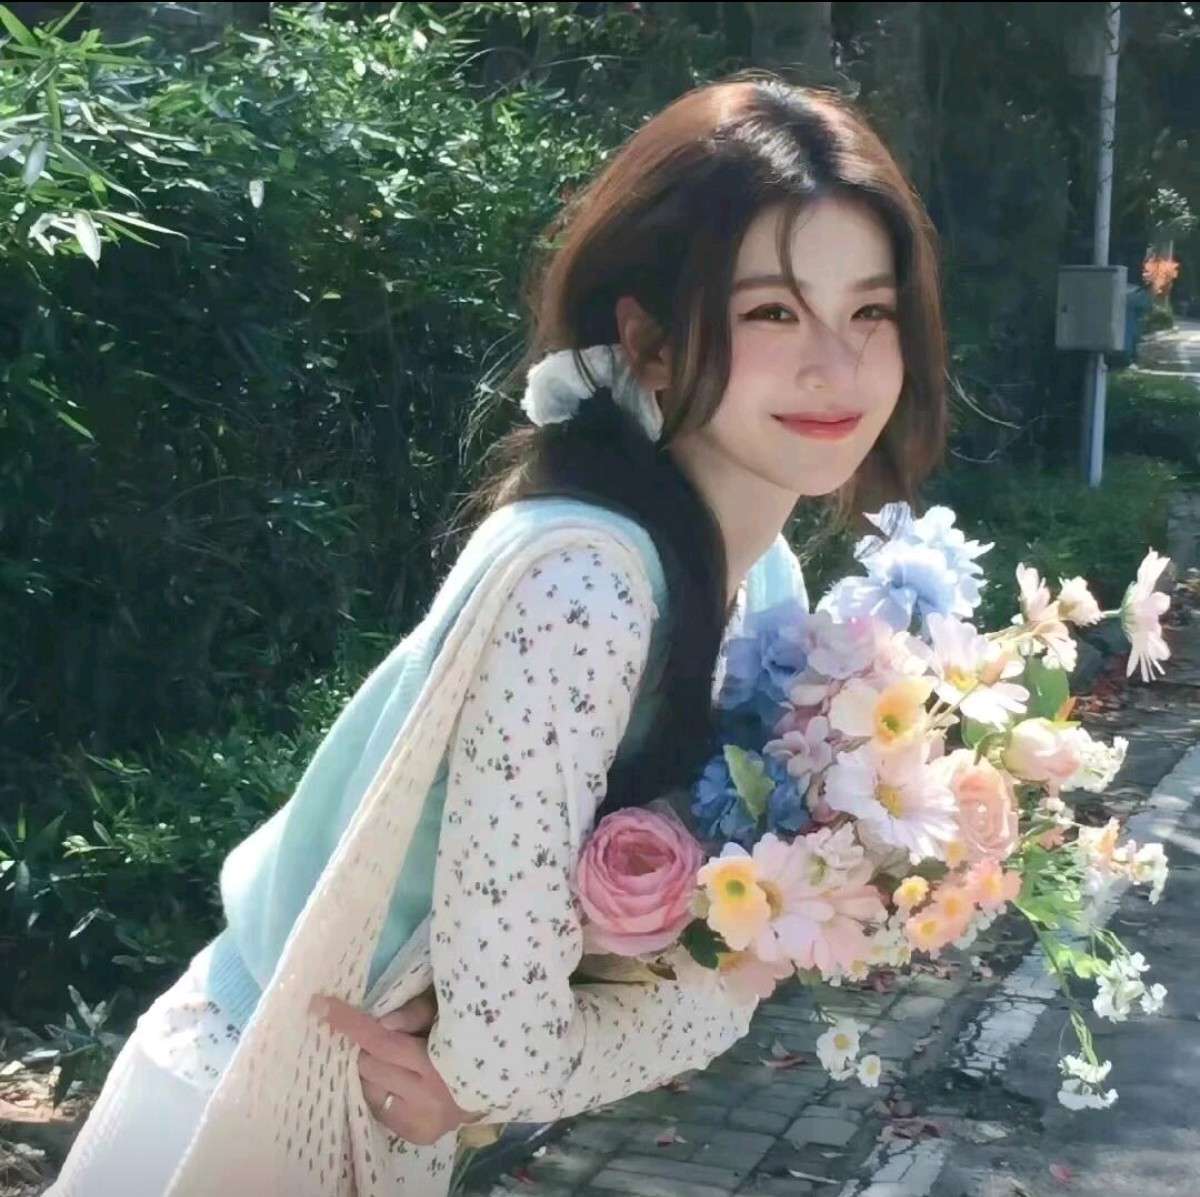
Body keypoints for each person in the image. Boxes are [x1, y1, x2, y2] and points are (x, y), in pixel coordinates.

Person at [50, 72, 946, 1195]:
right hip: (252, 1104)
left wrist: (558, 1057)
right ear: (651, 342)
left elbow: (624, 1004)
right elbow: (505, 1052)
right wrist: (700, 1009)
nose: (836, 363)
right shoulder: (584, 585)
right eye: (773, 311)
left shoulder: (763, 586)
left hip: (367, 1121)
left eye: (871, 312)